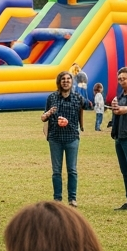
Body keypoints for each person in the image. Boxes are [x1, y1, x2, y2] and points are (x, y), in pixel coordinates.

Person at [40, 70, 83, 207]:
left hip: (72, 138)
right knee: (56, 171)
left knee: (72, 170)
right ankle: (57, 199)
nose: (66, 81)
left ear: (71, 82)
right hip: (55, 138)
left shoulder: (78, 98)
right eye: (63, 79)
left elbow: (88, 107)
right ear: (59, 82)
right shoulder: (51, 98)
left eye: (68, 79)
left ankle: (72, 198)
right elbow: (44, 117)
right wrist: (48, 114)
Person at [110, 66, 127, 211]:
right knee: (125, 171)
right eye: (119, 79)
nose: (121, 81)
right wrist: (115, 109)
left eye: (124, 79)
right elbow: (118, 112)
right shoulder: (121, 95)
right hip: (119, 136)